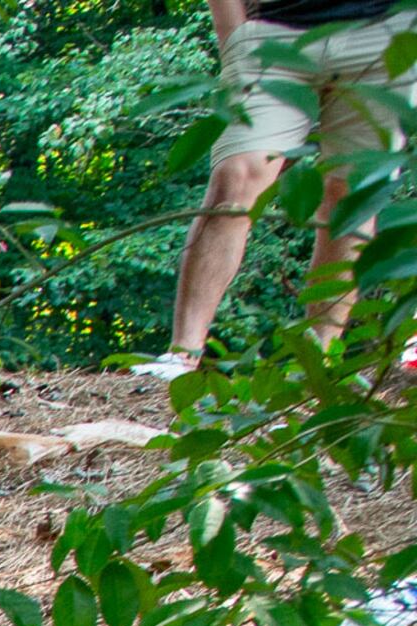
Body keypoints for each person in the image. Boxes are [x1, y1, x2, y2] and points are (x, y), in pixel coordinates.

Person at [141, 0, 405, 377]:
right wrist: (235, 37)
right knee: (237, 178)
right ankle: (182, 355)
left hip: (382, 35)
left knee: (352, 195)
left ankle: (320, 362)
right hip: (272, 31)